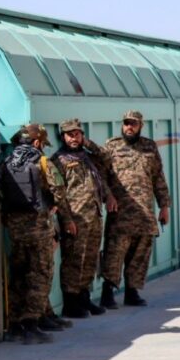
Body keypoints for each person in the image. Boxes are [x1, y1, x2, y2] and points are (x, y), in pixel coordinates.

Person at [100, 111, 171, 309]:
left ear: (141, 126)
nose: (129, 127)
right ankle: (108, 293)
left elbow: (158, 178)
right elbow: (101, 176)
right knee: (114, 253)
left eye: (133, 124)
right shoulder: (112, 146)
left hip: (145, 213)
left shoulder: (149, 147)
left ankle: (132, 292)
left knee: (140, 255)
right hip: (120, 214)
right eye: (126, 123)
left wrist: (164, 206)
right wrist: (109, 196)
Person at [0, 124, 59, 344]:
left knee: (19, 274)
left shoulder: (5, 162)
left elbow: (0, 193)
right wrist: (55, 209)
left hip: (15, 230)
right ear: (36, 142)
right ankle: (31, 323)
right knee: (40, 274)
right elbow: (59, 189)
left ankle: (14, 324)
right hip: (39, 228)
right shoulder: (41, 161)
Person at [49, 119, 116, 319]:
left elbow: (107, 157)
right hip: (75, 218)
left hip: (93, 216)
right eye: (70, 134)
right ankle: (71, 303)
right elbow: (58, 194)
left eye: (77, 134)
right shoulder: (58, 160)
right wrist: (67, 220)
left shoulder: (86, 156)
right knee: (73, 260)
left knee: (90, 258)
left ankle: (84, 298)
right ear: (63, 137)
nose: (74, 138)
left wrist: (109, 195)